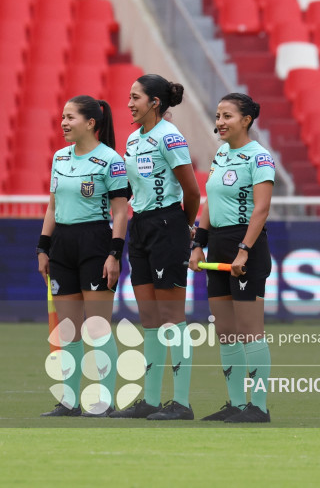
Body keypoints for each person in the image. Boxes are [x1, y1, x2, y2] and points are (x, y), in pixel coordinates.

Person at [109, 74, 201, 420]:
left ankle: (181, 402)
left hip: (167, 225)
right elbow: (133, 189)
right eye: (129, 96)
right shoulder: (133, 140)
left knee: (171, 317)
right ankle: (149, 399)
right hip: (142, 226)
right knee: (148, 318)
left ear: (155, 103)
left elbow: (191, 191)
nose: (130, 103)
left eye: (136, 97)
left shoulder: (170, 137)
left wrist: (185, 225)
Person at [36, 95, 129, 418]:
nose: (63, 123)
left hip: (95, 243)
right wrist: (43, 247)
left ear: (91, 123)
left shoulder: (111, 160)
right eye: (63, 117)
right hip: (62, 243)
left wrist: (114, 254)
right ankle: (69, 401)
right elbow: (52, 207)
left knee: (98, 327)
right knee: (69, 329)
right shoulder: (60, 157)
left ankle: (104, 400)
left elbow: (120, 212)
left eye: (70, 117)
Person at [189, 93, 274, 423]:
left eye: (227, 116)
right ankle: (237, 404)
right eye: (218, 115)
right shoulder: (221, 154)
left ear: (246, 120)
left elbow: (261, 209)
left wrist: (244, 250)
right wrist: (198, 244)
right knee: (225, 330)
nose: (219, 122)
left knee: (251, 330)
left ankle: (260, 407)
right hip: (219, 248)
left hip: (246, 249)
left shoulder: (260, 158)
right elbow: (209, 201)